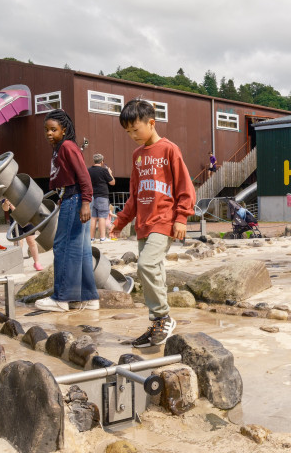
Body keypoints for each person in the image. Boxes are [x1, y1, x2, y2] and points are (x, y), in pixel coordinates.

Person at [110, 99, 195, 347]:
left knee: (146, 265)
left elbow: (185, 186)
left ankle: (163, 317)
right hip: (143, 224)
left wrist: (181, 218)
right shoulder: (137, 156)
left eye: (136, 129)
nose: (132, 136)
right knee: (151, 271)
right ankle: (157, 322)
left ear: (151, 122)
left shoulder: (169, 149)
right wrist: (121, 221)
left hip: (165, 220)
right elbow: (134, 195)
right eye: (128, 132)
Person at [35, 109, 99, 312]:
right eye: (46, 130)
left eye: (53, 129)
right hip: (72, 198)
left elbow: (84, 176)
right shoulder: (60, 148)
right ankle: (89, 298)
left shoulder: (67, 147)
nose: (49, 133)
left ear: (64, 130)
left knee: (63, 247)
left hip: (76, 198)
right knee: (81, 250)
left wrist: (86, 202)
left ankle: (61, 298)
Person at [1, 197, 43, 271]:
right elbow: (5, 209)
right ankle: (18, 263)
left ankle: (37, 262)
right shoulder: (7, 194)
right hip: (15, 221)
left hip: (27, 218)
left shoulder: (23, 191)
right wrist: (6, 203)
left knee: (31, 241)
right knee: (18, 242)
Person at [88, 153, 115, 242]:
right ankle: (102, 238)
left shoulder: (89, 170)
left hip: (92, 196)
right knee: (102, 217)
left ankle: (91, 238)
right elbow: (112, 183)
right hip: (102, 196)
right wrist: (110, 173)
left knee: (93, 217)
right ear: (102, 161)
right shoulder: (104, 171)